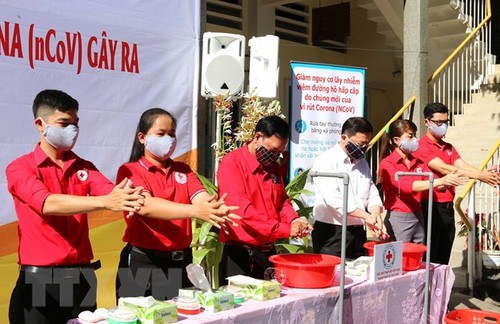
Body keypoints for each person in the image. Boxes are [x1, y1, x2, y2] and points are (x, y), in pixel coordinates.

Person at [6, 89, 145, 324]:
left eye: (76, 123)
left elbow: (113, 192)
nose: (73, 130)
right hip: (41, 279)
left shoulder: (85, 167)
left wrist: (131, 195)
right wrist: (106, 202)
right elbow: (47, 203)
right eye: (64, 123)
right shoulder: (20, 168)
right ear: (40, 124)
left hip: (82, 278)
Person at [115, 108, 239, 300]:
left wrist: (214, 207)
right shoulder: (130, 170)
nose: (169, 139)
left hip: (180, 262)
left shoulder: (183, 170)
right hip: (144, 263)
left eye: (172, 134)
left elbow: (200, 197)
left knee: (178, 317)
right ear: (142, 137)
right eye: (161, 134)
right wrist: (197, 211)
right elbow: (145, 205)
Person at [216, 115, 311, 282]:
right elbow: (242, 211)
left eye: (280, 153)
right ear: (258, 137)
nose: (275, 156)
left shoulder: (273, 167)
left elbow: (282, 201)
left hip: (268, 253)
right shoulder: (232, 163)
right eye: (272, 150)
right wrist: (283, 229)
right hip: (240, 254)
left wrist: (294, 220)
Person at [413, 102, 500, 264]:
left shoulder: (448, 147)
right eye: (438, 122)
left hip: (447, 207)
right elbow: (446, 169)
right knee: (430, 258)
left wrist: (484, 174)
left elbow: (462, 165)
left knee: (443, 257)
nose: (443, 126)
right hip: (430, 206)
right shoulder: (421, 146)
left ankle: (440, 289)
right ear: (426, 122)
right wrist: (481, 176)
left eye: (445, 122)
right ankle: (427, 289)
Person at [378, 119, 468, 244]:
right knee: (399, 258)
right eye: (410, 136)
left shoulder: (417, 162)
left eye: (415, 135)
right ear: (396, 140)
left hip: (417, 215)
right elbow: (405, 187)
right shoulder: (388, 163)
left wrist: (448, 181)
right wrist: (439, 181)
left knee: (418, 258)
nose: (415, 140)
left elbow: (433, 181)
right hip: (399, 218)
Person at [311, 116, 388, 259]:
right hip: (333, 233)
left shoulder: (362, 163)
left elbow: (371, 190)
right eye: (360, 144)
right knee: (334, 277)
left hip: (358, 232)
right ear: (344, 137)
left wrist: (376, 212)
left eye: (367, 145)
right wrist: (367, 216)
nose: (363, 149)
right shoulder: (326, 160)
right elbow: (334, 200)